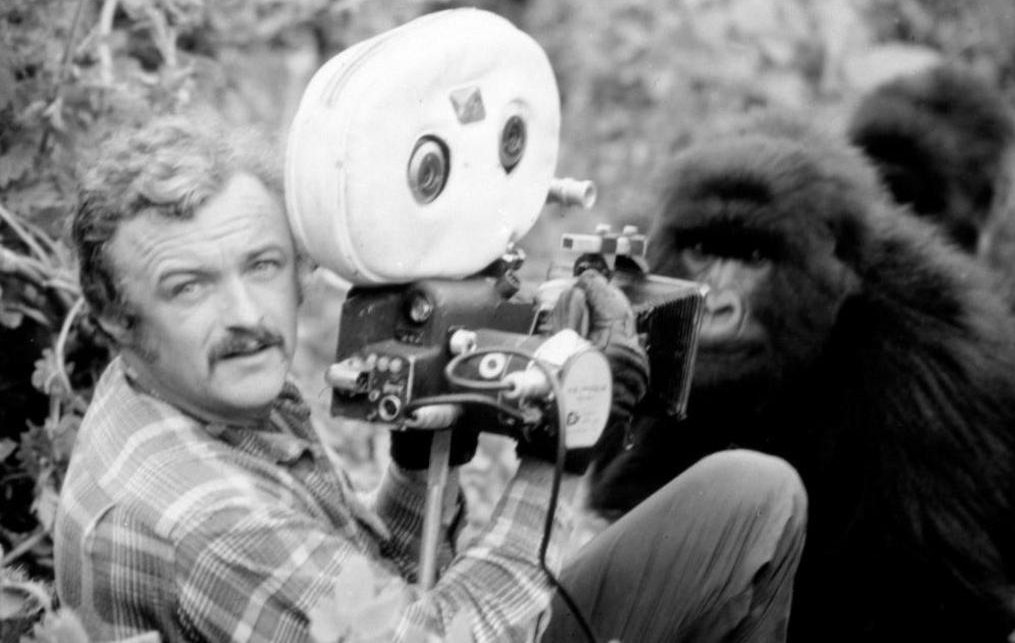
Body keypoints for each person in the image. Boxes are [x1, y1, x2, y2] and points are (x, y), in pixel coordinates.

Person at [54, 114, 808, 643]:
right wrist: (563, 450)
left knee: (745, 493)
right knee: (754, 506)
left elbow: (369, 602)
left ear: (297, 266)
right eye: (188, 287)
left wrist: (419, 464)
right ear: (115, 318)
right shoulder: (204, 520)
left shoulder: (204, 389)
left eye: (262, 264)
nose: (246, 312)